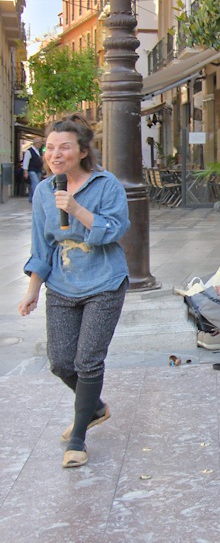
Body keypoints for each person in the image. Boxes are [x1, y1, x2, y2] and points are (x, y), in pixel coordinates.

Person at [17, 114, 130, 468]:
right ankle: (94, 408)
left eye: (64, 147)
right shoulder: (43, 192)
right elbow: (42, 245)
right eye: (50, 147)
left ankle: (79, 437)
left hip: (104, 281)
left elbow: (115, 229)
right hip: (63, 283)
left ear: (82, 151)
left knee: (87, 360)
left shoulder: (106, 185)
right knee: (61, 362)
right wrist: (32, 289)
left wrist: (76, 209)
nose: (55, 154)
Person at [22, 137, 44, 202]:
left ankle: (31, 198)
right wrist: (25, 171)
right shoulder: (29, 151)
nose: (40, 145)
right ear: (36, 143)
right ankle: (37, 199)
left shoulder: (39, 151)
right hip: (32, 170)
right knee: (36, 183)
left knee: (34, 184)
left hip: (38, 170)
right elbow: (26, 161)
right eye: (40, 143)